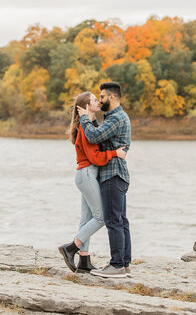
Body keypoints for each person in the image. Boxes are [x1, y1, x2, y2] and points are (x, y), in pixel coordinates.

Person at [58, 91, 126, 273]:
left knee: (87, 218)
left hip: (86, 175)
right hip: (87, 174)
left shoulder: (89, 126)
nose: (98, 102)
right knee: (102, 217)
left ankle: (84, 260)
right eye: (95, 100)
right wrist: (115, 153)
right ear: (87, 106)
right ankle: (71, 247)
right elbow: (95, 157)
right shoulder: (84, 128)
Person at [76, 81, 132, 278]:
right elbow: (99, 137)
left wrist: (84, 117)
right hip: (116, 174)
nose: (100, 101)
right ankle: (124, 264)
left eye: (102, 97)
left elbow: (93, 136)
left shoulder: (116, 118)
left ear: (112, 97)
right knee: (120, 220)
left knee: (113, 221)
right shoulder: (113, 118)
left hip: (112, 174)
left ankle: (116, 265)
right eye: (97, 98)